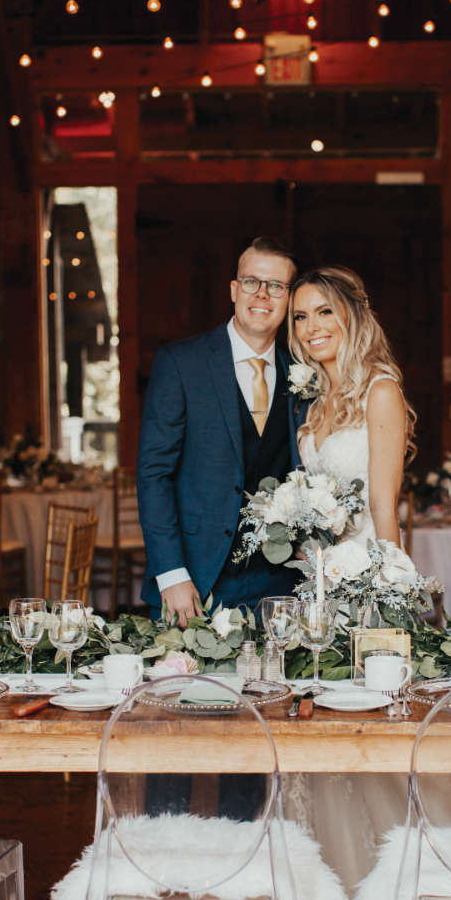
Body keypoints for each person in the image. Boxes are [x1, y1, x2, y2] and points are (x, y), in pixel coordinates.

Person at [283, 265, 418, 893]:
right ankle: (328, 891)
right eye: (301, 316)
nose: (312, 327)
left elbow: (384, 509)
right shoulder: (313, 402)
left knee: (370, 742)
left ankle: (390, 884)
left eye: (324, 313)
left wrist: (391, 602)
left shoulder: (379, 392)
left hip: (365, 586)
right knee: (322, 742)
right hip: (319, 590)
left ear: (353, 317)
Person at [137, 236, 306, 623]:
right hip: (195, 582)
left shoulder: (303, 372)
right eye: (251, 281)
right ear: (234, 289)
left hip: (282, 585)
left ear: (289, 298)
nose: (262, 294)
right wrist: (172, 573)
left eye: (276, 286)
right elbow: (153, 475)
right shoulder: (181, 363)